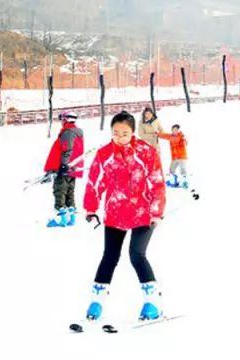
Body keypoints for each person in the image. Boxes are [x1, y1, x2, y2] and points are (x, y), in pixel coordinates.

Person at [83, 111, 166, 322]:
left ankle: (153, 302)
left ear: (133, 132)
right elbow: (95, 182)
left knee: (137, 254)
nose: (119, 137)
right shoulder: (104, 154)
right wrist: (91, 209)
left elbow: (157, 182)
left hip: (143, 213)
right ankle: (97, 300)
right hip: (115, 212)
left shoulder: (146, 152)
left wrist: (156, 212)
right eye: (115, 133)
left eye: (124, 133)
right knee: (109, 256)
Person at [44, 111, 84, 227]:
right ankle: (71, 219)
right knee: (69, 192)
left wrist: (63, 165)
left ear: (66, 120)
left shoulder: (68, 132)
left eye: (62, 119)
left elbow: (67, 149)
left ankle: (60, 220)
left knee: (60, 191)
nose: (61, 121)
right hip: (72, 168)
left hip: (65, 167)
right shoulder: (76, 132)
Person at [158, 124, 189, 188]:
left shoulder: (181, 136)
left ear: (178, 130)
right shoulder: (171, 136)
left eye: (176, 129)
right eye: (174, 129)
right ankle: (174, 181)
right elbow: (165, 135)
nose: (175, 131)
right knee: (171, 169)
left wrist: (185, 141)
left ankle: (184, 182)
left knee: (182, 169)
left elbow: (180, 140)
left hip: (182, 156)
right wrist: (158, 134)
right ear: (172, 130)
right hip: (174, 157)